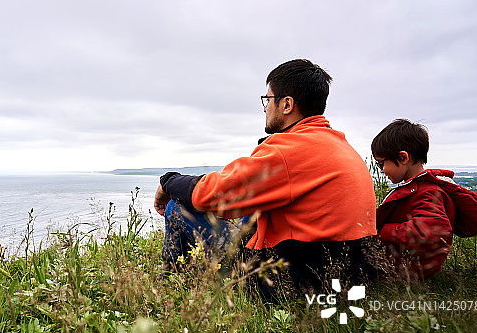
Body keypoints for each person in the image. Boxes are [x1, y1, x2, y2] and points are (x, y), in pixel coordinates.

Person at [154, 59, 378, 298]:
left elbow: (211, 194)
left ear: (287, 104)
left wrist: (167, 181)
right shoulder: (341, 146)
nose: (264, 108)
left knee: (175, 208)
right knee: (252, 209)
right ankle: (191, 273)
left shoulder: (288, 150)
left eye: (267, 99)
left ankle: (168, 283)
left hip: (293, 283)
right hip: (348, 276)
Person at [372, 119, 477, 279]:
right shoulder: (418, 188)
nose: (382, 171)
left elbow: (430, 232)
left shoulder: (428, 192)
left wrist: (380, 231)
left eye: (381, 164)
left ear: (403, 157)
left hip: (403, 270)